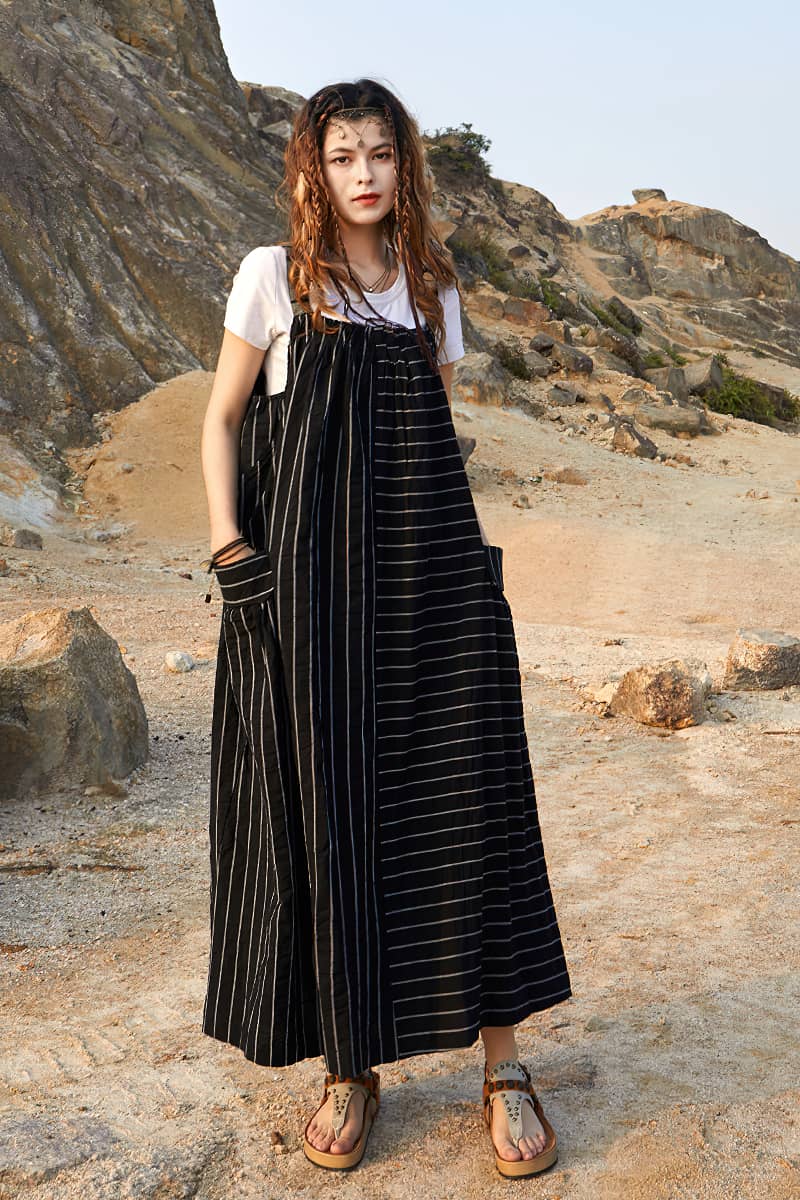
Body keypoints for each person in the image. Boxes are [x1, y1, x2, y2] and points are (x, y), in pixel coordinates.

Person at [199, 78, 572, 1178]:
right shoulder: (274, 278)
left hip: (435, 589)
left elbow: (432, 435)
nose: (363, 174)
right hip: (312, 595)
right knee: (333, 817)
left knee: (470, 805)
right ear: (312, 171)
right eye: (342, 155)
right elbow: (222, 419)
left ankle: (504, 1066)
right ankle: (350, 1067)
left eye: (380, 153)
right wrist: (231, 550)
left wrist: (468, 566)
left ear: (404, 165)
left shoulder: (432, 287)